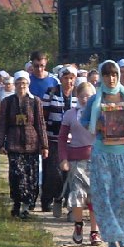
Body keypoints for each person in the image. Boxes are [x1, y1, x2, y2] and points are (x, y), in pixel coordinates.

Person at [79, 60, 124, 247]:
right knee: (105, 195)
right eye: (107, 75)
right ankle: (112, 238)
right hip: (103, 153)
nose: (111, 78)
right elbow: (84, 120)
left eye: (114, 74)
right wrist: (98, 125)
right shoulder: (95, 99)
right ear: (102, 77)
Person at [0, 70, 48, 219]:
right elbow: (2, 123)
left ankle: (26, 206)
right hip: (14, 143)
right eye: (18, 83)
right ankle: (17, 202)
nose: (21, 86)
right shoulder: (7, 102)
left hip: (32, 144)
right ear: (15, 84)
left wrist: (44, 145)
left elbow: (40, 124)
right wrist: (0, 143)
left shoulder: (35, 101)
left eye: (24, 83)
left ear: (28, 84)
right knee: (16, 175)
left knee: (31, 176)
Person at [58, 80, 101, 245]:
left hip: (96, 158)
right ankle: (78, 225)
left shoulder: (99, 113)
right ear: (77, 96)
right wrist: (63, 159)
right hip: (76, 159)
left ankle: (95, 231)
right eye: (82, 96)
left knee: (95, 196)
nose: (85, 99)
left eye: (88, 96)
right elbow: (62, 139)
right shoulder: (70, 114)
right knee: (77, 194)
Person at [41, 65, 78, 215]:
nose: (69, 81)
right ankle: (50, 199)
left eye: (71, 78)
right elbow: (43, 117)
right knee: (53, 172)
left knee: (70, 174)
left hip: (73, 141)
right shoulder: (51, 92)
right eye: (66, 78)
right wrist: (43, 140)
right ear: (60, 79)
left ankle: (68, 202)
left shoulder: (78, 93)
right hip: (53, 139)